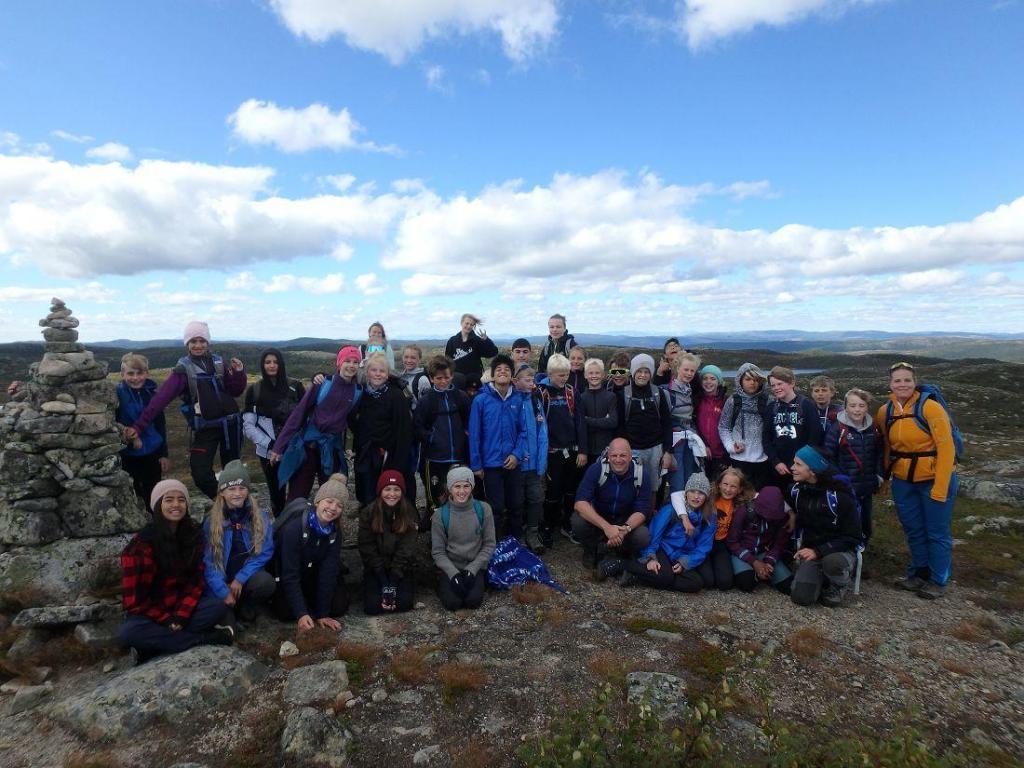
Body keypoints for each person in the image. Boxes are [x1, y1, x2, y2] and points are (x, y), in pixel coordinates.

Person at [124, 321, 246, 499]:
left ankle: (236, 507)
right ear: (187, 344)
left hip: (232, 426)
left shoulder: (219, 362)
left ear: (208, 342)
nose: (198, 345)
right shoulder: (182, 370)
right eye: (193, 341)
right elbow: (159, 401)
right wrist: (138, 427)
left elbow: (234, 391)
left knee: (234, 474)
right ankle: (223, 502)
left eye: (202, 340)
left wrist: (239, 373)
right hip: (206, 429)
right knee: (201, 474)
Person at [120, 480, 233, 658]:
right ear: (158, 505)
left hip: (181, 608)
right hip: (151, 614)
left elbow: (196, 581)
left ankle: (156, 646)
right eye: (169, 500)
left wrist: (181, 615)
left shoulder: (192, 535)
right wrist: (166, 619)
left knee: (217, 607)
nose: (176, 505)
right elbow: (133, 601)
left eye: (181, 500)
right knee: (130, 632)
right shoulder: (140, 546)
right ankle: (202, 639)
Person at [876, 362, 957, 600]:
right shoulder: (885, 411)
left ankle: (938, 579)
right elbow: (887, 448)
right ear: (890, 384)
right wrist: (885, 478)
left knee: (937, 532)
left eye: (907, 380)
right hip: (903, 480)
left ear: (915, 382)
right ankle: (918, 573)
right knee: (913, 529)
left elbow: (946, 448)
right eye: (897, 381)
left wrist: (941, 487)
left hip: (934, 478)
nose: (902, 384)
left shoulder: (931, 408)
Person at [271, 346, 362, 503]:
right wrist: (279, 446)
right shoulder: (323, 384)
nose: (351, 365)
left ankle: (330, 527)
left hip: (331, 447)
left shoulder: (357, 391)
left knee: (331, 496)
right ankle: (291, 525)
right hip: (308, 447)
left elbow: (353, 420)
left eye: (355, 362)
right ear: (339, 363)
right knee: (297, 496)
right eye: (347, 360)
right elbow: (299, 414)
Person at [272, 473, 348, 631]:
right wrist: (301, 613)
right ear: (318, 501)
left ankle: (313, 608)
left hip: (312, 574)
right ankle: (303, 606)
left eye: (339, 505)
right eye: (329, 501)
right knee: (285, 612)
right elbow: (289, 573)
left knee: (338, 607)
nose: (333, 508)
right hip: (292, 575)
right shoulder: (294, 528)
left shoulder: (334, 532)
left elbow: (329, 570)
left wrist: (323, 613)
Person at [202, 460, 276, 624]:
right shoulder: (211, 521)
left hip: (246, 577)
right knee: (223, 617)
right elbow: (209, 562)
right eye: (231, 489)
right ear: (222, 492)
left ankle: (246, 603)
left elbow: (265, 552)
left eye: (242, 488)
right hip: (221, 579)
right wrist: (223, 590)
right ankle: (230, 604)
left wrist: (240, 579)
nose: (237, 493)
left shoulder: (259, 516)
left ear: (248, 491)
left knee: (266, 583)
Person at [788, 446, 862, 607]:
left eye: (798, 464)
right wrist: (790, 514)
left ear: (813, 470)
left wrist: (818, 551)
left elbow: (854, 537)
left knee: (832, 562)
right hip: (811, 550)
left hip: (839, 551)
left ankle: (840, 583)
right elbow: (785, 505)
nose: (792, 468)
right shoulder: (797, 490)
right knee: (801, 597)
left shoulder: (840, 496)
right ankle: (820, 577)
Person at [618, 473, 715, 593]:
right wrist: (650, 557)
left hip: (681, 554)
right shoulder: (671, 510)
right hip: (662, 549)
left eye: (701, 493)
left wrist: (686, 561)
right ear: (686, 493)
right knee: (666, 576)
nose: (696, 496)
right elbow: (654, 534)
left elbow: (704, 546)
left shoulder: (709, 517)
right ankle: (622, 565)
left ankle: (646, 576)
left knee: (696, 583)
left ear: (706, 496)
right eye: (692, 491)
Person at [572, 438, 652, 572]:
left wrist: (624, 530)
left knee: (643, 536)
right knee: (577, 521)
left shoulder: (642, 474)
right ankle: (591, 549)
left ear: (631, 456)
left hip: (624, 521)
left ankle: (619, 550)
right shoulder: (597, 469)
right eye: (614, 455)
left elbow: (642, 510)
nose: (618, 460)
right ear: (608, 456)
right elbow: (580, 503)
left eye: (623, 455)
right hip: (600, 518)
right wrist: (607, 527)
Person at [468, 354, 526, 539]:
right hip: (491, 464)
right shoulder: (481, 400)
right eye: (498, 369)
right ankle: (496, 544)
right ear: (492, 375)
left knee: (516, 505)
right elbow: (474, 434)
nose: (502, 372)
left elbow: (523, 432)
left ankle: (515, 543)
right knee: (496, 507)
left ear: (512, 376)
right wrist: (476, 464)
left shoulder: (517, 399)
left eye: (507, 369)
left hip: (513, 463)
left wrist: (517, 455)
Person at [242, 348, 304, 516]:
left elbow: (304, 418)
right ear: (262, 364)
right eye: (268, 362)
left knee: (297, 491)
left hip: (294, 449)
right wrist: (270, 445)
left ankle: (295, 524)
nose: (272, 365)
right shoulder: (254, 390)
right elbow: (248, 426)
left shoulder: (295, 387)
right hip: (267, 453)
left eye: (275, 362)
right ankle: (280, 526)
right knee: (276, 493)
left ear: (281, 364)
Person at [349, 352, 415, 506]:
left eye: (382, 371)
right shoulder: (361, 393)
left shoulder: (396, 395)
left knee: (389, 490)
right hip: (366, 451)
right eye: (374, 370)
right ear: (367, 372)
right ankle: (369, 522)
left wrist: (399, 461)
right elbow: (351, 418)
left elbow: (404, 430)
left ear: (387, 374)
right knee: (367, 490)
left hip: (389, 453)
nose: (377, 374)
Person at [415, 355, 471, 523]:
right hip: (434, 458)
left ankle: (457, 528)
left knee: (458, 494)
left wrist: (465, 435)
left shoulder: (461, 397)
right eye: (438, 378)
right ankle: (436, 529)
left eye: (446, 377)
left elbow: (469, 420)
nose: (443, 381)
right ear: (431, 378)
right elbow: (417, 426)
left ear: (452, 375)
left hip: (459, 456)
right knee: (435, 495)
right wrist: (431, 437)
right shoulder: (426, 401)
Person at [431, 467, 496, 611]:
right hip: (450, 567)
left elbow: (489, 544)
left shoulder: (484, 509)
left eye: (466, 486)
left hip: (475, 566)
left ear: (472, 487)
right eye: (457, 486)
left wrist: (472, 569)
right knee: (452, 603)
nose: (462, 491)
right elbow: (438, 552)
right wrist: (453, 574)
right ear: (450, 488)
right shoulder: (440, 516)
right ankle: (441, 583)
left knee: (473, 601)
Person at [539, 354, 587, 548]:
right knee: (553, 491)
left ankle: (567, 524)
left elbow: (580, 423)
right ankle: (548, 525)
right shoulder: (542, 393)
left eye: (566, 374)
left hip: (573, 450)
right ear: (550, 373)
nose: (563, 378)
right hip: (553, 453)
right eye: (559, 375)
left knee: (570, 490)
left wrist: (583, 450)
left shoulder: (571, 392)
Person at [824, 388, 882, 546]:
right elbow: (829, 457)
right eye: (853, 405)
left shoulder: (874, 428)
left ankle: (864, 547)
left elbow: (879, 454)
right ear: (846, 407)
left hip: (867, 486)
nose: (857, 409)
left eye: (861, 405)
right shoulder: (837, 429)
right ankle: (848, 549)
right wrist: (838, 480)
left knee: (865, 521)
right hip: (846, 488)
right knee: (848, 521)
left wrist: (879, 476)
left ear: (867, 407)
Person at [358, 470, 419, 615]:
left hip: (400, 569)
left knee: (403, 604)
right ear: (380, 491)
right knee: (372, 607)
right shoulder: (368, 512)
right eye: (387, 489)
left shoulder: (409, 512)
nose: (392, 494)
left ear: (402, 491)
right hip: (376, 568)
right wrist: (383, 580)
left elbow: (407, 548)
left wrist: (393, 580)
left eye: (396, 489)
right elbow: (366, 547)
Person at [115, 353, 169, 515]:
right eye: (130, 374)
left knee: (153, 493)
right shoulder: (117, 394)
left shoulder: (153, 395)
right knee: (133, 493)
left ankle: (156, 525)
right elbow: (111, 421)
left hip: (152, 453)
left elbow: (160, 425)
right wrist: (130, 436)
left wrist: (163, 454)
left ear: (147, 373)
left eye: (140, 373)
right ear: (122, 374)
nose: (136, 378)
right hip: (127, 455)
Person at [617, 354, 672, 501]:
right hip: (632, 449)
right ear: (633, 372)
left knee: (654, 488)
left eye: (646, 371)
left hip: (655, 449)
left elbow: (667, 423)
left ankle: (650, 519)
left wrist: (667, 451)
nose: (642, 375)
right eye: (639, 371)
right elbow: (620, 426)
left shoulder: (658, 393)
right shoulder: (623, 394)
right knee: (631, 486)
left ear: (651, 373)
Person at [763, 366, 823, 490]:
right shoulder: (771, 408)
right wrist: (775, 462)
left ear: (791, 383)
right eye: (773, 385)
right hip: (778, 468)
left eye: (780, 383)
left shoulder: (806, 406)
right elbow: (766, 438)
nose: (776, 388)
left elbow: (814, 438)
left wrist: (798, 463)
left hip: (802, 468)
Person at [727, 483, 794, 594]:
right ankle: (756, 574)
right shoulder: (744, 512)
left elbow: (779, 544)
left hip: (765, 552)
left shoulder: (781, 518)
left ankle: (763, 574)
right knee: (746, 583)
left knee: (788, 586)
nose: (769, 517)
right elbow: (732, 542)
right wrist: (754, 562)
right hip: (742, 551)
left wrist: (769, 562)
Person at [513, 363, 549, 552]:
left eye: (532, 380)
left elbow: (542, 432)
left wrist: (542, 461)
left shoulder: (536, 401)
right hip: (518, 464)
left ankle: (532, 534)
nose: (532, 383)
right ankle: (517, 535)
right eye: (527, 380)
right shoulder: (512, 401)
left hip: (534, 464)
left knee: (535, 499)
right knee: (517, 501)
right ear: (515, 381)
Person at [718, 363, 770, 489]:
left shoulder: (768, 401)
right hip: (737, 459)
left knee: (757, 495)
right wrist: (731, 446)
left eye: (756, 380)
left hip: (761, 460)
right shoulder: (733, 401)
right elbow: (724, 427)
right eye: (748, 379)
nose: (752, 383)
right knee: (736, 495)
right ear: (740, 381)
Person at [664, 352, 703, 502]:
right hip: (675, 442)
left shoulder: (690, 390)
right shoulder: (667, 392)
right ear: (677, 368)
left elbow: (691, 419)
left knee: (689, 479)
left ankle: (687, 514)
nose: (689, 373)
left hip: (690, 441)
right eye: (686, 369)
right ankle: (674, 517)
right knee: (677, 482)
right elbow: (665, 421)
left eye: (692, 371)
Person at [696, 469, 743, 591]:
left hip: (721, 544)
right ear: (719, 484)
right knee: (708, 582)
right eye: (725, 484)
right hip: (703, 542)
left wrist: (790, 512)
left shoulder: (740, 503)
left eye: (733, 486)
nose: (728, 489)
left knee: (725, 583)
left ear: (739, 489)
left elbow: (761, 496)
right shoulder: (708, 497)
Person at [579, 358, 618, 466]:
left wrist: (588, 420)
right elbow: (580, 425)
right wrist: (604, 421)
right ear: (585, 375)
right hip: (587, 451)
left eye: (597, 372)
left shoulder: (610, 397)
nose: (594, 375)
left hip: (606, 450)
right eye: (590, 373)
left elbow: (613, 422)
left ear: (603, 375)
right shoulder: (581, 398)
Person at [693, 364, 727, 481]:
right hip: (701, 453)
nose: (708, 382)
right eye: (705, 378)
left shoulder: (726, 401)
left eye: (713, 379)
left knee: (717, 488)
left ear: (719, 381)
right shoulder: (696, 400)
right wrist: (704, 444)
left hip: (721, 454)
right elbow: (694, 424)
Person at [445, 314, 498, 388]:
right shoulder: (452, 341)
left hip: (474, 379)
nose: (469, 326)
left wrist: (486, 340)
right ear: (461, 323)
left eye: (472, 324)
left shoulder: (477, 340)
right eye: (467, 323)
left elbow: (492, 352)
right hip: (457, 380)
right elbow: (447, 360)